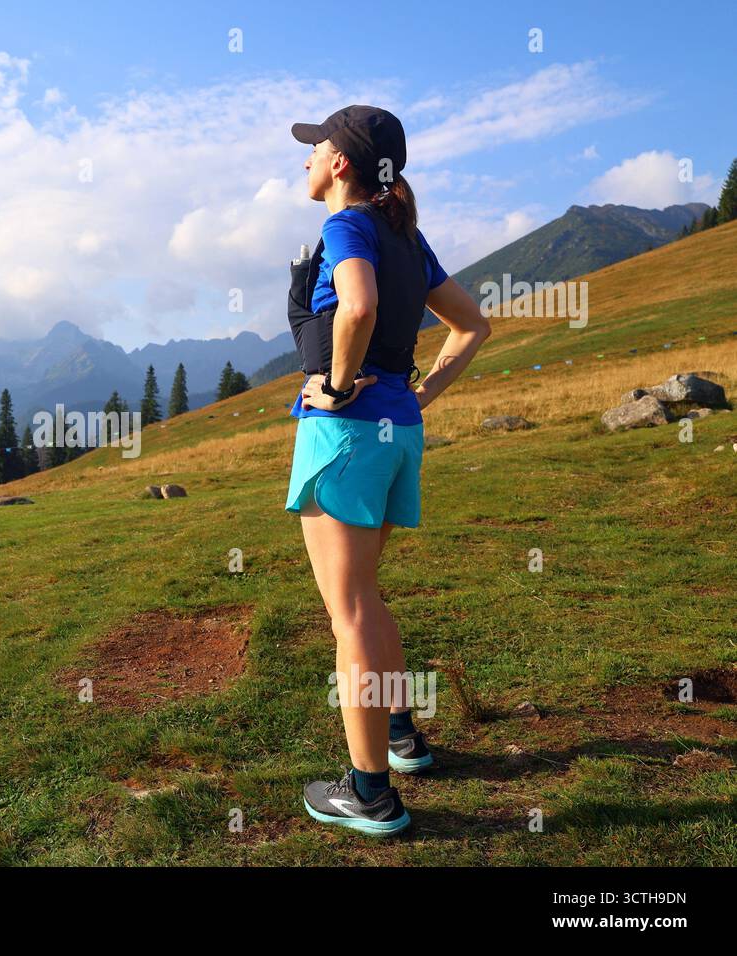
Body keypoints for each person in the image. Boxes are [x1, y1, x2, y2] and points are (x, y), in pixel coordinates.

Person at [284, 105, 492, 835]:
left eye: (315, 150)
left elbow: (359, 306)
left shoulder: (347, 226)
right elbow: (472, 325)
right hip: (399, 431)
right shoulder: (407, 234)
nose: (306, 160)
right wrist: (420, 389)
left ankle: (369, 790)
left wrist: (338, 384)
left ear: (342, 163)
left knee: (351, 615)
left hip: (346, 434)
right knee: (367, 598)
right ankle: (400, 734)